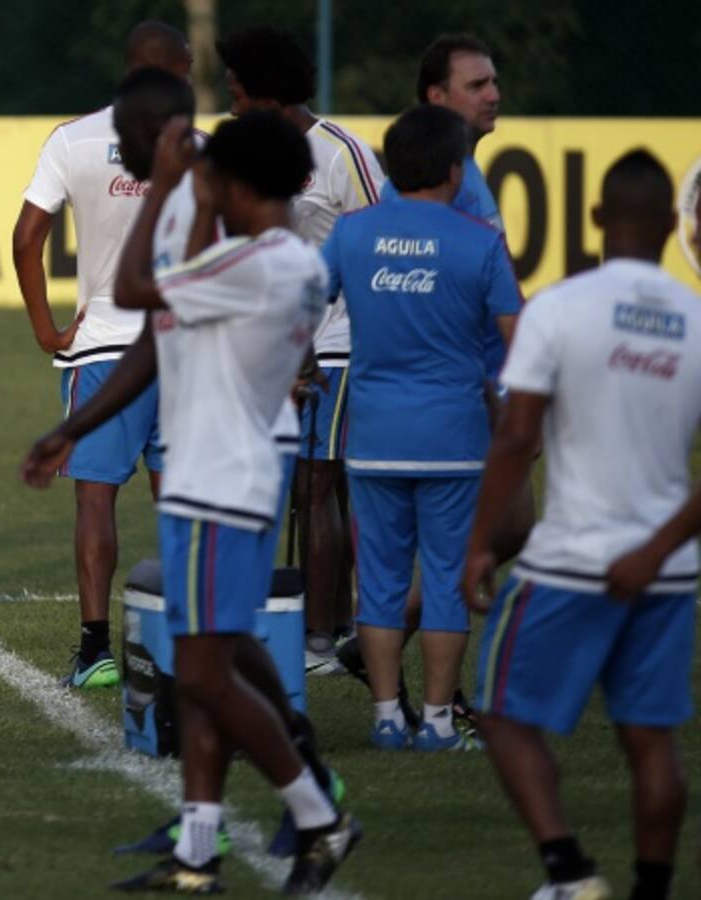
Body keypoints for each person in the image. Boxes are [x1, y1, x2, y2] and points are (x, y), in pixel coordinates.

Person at [25, 109, 359, 896]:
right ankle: (198, 853)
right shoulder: (277, 262)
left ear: (242, 187)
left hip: (224, 481)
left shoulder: (259, 265)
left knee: (204, 674)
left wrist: (173, 187)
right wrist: (72, 426)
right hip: (223, 475)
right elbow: (155, 343)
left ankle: (318, 814)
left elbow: (137, 289)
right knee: (209, 660)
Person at [461, 150, 699, 900]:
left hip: (572, 560)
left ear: (595, 218)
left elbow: (517, 434)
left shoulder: (560, 308)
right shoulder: (697, 318)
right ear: (674, 225)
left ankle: (569, 872)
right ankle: (652, 890)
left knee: (498, 707)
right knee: (650, 739)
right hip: (667, 569)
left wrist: (476, 544)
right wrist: (658, 547)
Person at [339, 33, 532, 730]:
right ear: (436, 97)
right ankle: (437, 700)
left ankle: (388, 666)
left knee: (500, 530)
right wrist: (508, 402)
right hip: (458, 400)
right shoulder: (446, 192)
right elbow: (476, 302)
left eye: (493, 81)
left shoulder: (436, 190)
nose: (493, 94)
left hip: (410, 407)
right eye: (477, 84)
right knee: (471, 547)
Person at [13, 21, 192, 688]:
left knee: (96, 498)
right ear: (175, 70)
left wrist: (45, 328)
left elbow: (28, 236)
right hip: (185, 347)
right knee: (182, 501)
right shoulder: (198, 148)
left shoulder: (74, 137)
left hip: (104, 347)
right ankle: (185, 644)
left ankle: (95, 651)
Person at [215, 25, 384, 676]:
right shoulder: (249, 150)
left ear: (268, 95)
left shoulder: (341, 152)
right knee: (311, 488)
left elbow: (378, 239)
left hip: (337, 341)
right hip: (279, 347)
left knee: (318, 483)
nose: (230, 105)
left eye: (236, 92)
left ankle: (317, 639)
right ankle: (333, 622)